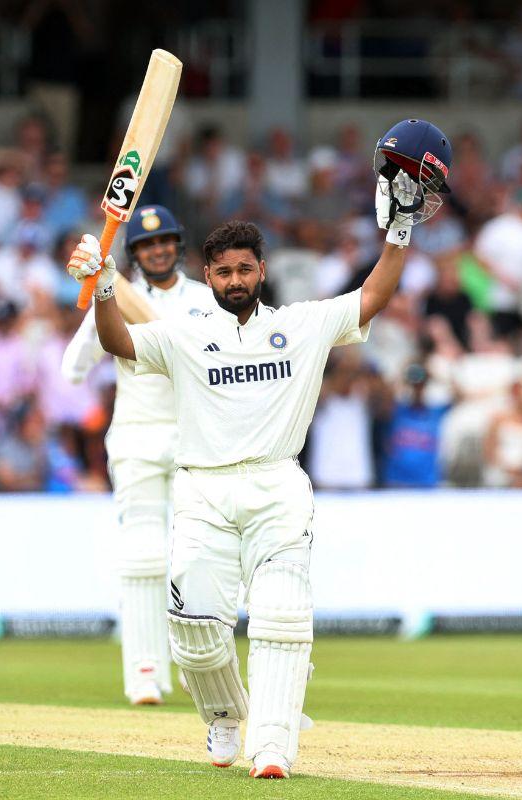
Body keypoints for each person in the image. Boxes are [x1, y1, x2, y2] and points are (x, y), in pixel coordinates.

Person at [66, 119, 451, 779]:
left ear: (262, 271)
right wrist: (103, 286)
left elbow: (375, 295)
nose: (236, 278)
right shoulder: (183, 333)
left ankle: (272, 746)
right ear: (208, 276)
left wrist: (400, 231)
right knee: (193, 633)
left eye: (246, 268)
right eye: (224, 270)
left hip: (276, 487)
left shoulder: (301, 325)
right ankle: (222, 715)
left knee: (280, 614)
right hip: (203, 492)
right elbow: (119, 343)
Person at [60, 205, 218, 706]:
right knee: (144, 556)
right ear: (135, 254)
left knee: (197, 559)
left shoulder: (206, 299)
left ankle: (199, 667)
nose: (156, 250)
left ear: (178, 245)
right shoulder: (117, 296)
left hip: (196, 440)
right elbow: (71, 371)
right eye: (146, 246)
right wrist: (96, 298)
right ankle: (145, 672)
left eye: (164, 241)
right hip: (136, 437)